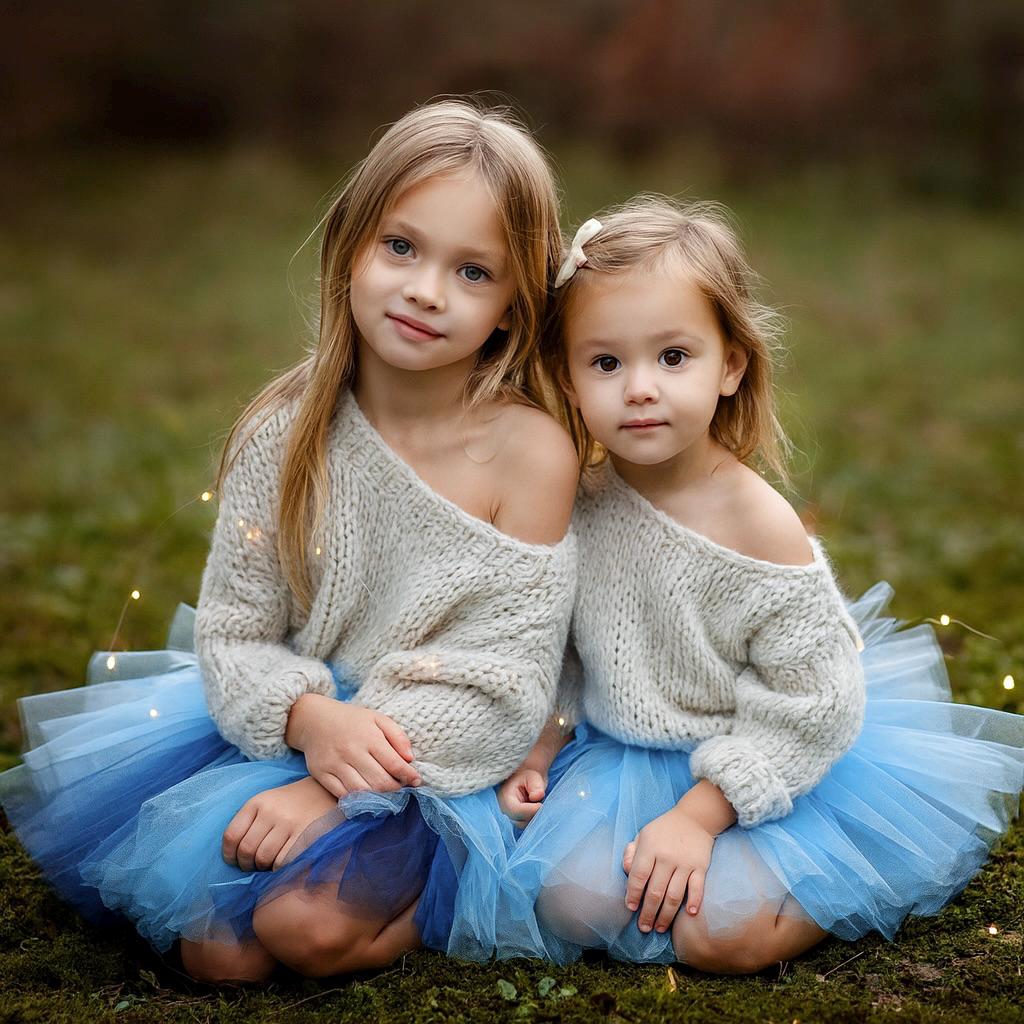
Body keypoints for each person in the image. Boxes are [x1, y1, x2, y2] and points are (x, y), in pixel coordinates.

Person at [0, 99, 580, 983]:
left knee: (305, 932)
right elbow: (234, 635)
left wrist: (330, 790)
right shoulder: (287, 429)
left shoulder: (531, 454)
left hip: (444, 751)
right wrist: (308, 724)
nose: (426, 289)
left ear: (513, 305)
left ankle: (443, 899)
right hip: (310, 724)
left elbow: (504, 680)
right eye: (402, 247)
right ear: (351, 245)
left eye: (473, 272)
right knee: (217, 954)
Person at [472, 196, 1024, 973]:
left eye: (673, 357)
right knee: (570, 900)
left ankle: (818, 894)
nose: (639, 388)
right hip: (624, 754)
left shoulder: (755, 522)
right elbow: (566, 648)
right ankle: (674, 878)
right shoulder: (579, 499)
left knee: (720, 936)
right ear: (567, 378)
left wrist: (700, 819)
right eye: (606, 362)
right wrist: (540, 746)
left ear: (730, 364)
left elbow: (817, 703)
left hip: (767, 759)